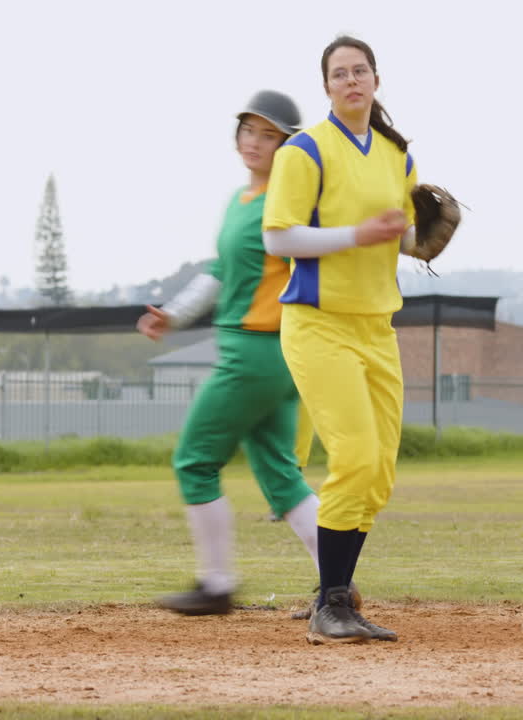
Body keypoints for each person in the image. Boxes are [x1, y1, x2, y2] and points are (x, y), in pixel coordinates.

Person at [263, 35, 425, 644]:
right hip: (318, 323)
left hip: (376, 325)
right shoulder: (305, 151)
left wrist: (420, 239)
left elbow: (402, 236)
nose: (351, 81)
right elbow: (279, 239)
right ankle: (331, 605)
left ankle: (337, 601)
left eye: (360, 71)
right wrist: (357, 234)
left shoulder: (398, 157)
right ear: (326, 87)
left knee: (378, 472)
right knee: (354, 458)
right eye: (339, 73)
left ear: (376, 81)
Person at [137, 90, 322, 616]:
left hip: (255, 350)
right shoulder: (240, 202)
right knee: (282, 479)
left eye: (270, 134)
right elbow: (221, 270)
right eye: (249, 130)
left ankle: (217, 584)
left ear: (289, 146)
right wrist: (172, 314)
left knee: (194, 461)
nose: (255, 141)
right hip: (271, 355)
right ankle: (337, 583)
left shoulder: (285, 203)